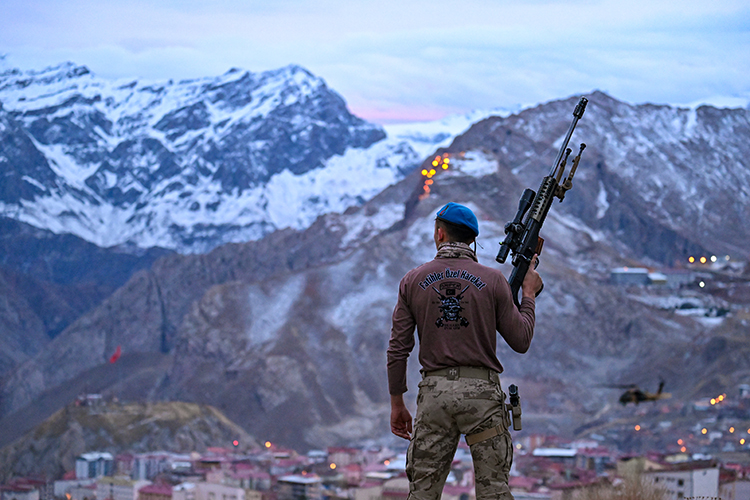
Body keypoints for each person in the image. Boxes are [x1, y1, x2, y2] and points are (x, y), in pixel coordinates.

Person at [387, 202, 543, 500]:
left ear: (439, 234)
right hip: (482, 398)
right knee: (494, 491)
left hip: (435, 397)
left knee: (422, 493)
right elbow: (521, 340)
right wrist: (529, 294)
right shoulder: (494, 280)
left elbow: (398, 348)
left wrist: (397, 403)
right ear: (473, 240)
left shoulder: (412, 280)